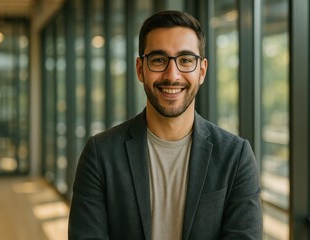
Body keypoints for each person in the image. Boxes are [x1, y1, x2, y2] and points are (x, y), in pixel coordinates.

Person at [68, 10, 262, 240]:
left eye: (186, 60)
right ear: (140, 69)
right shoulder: (100, 154)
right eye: (159, 60)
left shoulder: (235, 156)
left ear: (202, 71)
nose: (172, 75)